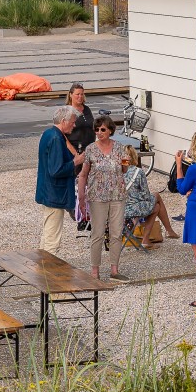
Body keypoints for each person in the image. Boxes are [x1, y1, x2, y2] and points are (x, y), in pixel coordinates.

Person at [77, 115, 129, 282]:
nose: (99, 132)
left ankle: (114, 269)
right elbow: (83, 174)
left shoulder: (120, 148)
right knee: (97, 233)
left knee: (116, 232)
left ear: (110, 130)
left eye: (103, 129)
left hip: (117, 195)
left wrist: (126, 163)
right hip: (97, 196)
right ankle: (94, 271)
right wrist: (81, 195)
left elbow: (124, 170)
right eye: (97, 129)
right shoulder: (91, 149)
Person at [36, 106, 84, 255]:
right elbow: (56, 170)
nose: (74, 125)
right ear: (64, 121)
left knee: (47, 234)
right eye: (72, 122)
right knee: (52, 239)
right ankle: (48, 273)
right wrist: (75, 162)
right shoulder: (57, 138)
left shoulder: (48, 133)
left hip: (46, 191)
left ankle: (41, 269)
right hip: (54, 193)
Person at [123, 145, 179, 242]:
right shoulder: (138, 172)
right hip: (133, 210)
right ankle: (168, 231)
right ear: (134, 157)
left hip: (120, 210)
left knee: (157, 206)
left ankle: (148, 239)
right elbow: (145, 195)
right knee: (156, 196)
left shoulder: (116, 172)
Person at [65, 83, 95, 173]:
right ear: (71, 95)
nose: (80, 97)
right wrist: (74, 153)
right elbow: (62, 135)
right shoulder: (67, 111)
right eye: (77, 94)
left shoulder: (87, 109)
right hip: (75, 151)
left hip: (89, 149)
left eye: (82, 94)